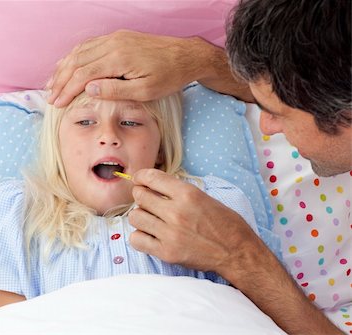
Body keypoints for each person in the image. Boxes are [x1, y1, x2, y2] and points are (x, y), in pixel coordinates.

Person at [46, 1, 351, 334]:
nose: (266, 127)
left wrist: (241, 255)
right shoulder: (20, 216)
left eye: (279, 113)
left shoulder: (220, 198)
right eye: (86, 122)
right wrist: (198, 60)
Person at [0, 90, 259, 311]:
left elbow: (241, 314)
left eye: (131, 122)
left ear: (161, 150)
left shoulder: (201, 206)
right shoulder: (17, 215)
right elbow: (8, 326)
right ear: (57, 146)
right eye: (85, 122)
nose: (108, 136)